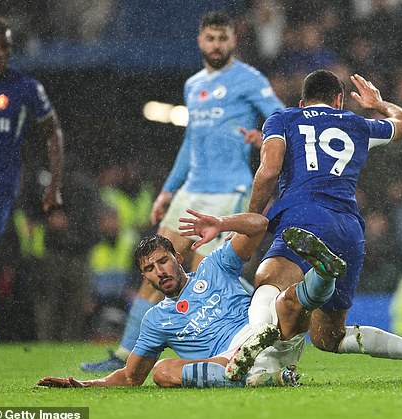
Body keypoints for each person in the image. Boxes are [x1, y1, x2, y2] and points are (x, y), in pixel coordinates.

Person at [81, 11, 284, 372]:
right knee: (157, 265)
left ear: (233, 41)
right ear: (200, 40)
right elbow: (190, 144)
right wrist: (166, 192)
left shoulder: (249, 79)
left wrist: (266, 137)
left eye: (223, 39)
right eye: (211, 38)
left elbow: (281, 117)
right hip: (192, 190)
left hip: (228, 189)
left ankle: (232, 350)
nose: (217, 45)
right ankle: (126, 355)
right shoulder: (193, 86)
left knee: (208, 275)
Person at [245, 70, 402, 381]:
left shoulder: (284, 119)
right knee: (328, 337)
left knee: (268, 281)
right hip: (348, 230)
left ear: (303, 102)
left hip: (304, 215)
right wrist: (380, 103)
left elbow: (268, 171)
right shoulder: (358, 124)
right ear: (339, 99)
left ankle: (261, 361)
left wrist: (252, 220)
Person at [38, 210, 346, 388]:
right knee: (162, 371)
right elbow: (132, 377)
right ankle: (264, 375)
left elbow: (259, 226)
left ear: (178, 257)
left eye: (162, 261)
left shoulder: (214, 266)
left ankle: (325, 272)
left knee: (285, 302)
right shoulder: (156, 319)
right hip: (228, 360)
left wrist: (223, 224)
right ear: (145, 278)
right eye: (149, 269)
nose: (159, 272)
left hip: (268, 332)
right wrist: (86, 385)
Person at [0, 16, 63, 248]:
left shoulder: (26, 88)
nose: (1, 53)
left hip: (4, 186)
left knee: (1, 251)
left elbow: (53, 132)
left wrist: (54, 185)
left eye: (6, 47)